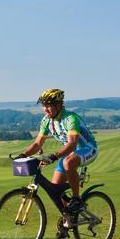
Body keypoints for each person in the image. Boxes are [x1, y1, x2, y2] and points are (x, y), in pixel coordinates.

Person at [17, 88, 98, 220]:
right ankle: (69, 219)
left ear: (59, 105)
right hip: (69, 153)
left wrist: (55, 156)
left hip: (88, 149)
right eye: (44, 106)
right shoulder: (46, 121)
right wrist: (23, 155)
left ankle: (76, 199)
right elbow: (37, 144)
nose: (45, 109)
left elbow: (72, 144)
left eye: (48, 106)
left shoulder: (70, 118)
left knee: (68, 162)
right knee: (56, 189)